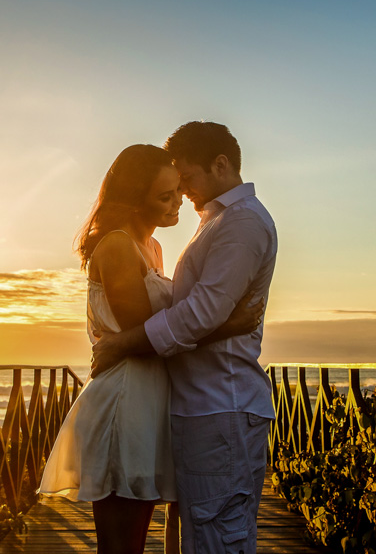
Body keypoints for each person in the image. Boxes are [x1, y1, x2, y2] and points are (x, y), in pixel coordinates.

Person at [38, 143, 262, 554]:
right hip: (125, 403)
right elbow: (147, 337)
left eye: (178, 189)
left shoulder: (153, 248)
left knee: (135, 538)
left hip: (148, 402)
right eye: (165, 196)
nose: (179, 201)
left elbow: (161, 330)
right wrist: (232, 323)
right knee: (121, 544)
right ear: (135, 201)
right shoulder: (118, 245)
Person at [92, 122, 277, 554]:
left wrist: (122, 343)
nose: (184, 192)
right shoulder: (217, 221)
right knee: (196, 535)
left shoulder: (241, 223)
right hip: (197, 407)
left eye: (187, 179)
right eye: (171, 188)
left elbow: (200, 313)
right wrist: (227, 324)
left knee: (215, 538)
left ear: (221, 164)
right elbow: (201, 311)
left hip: (221, 404)